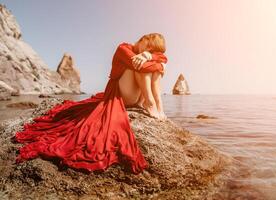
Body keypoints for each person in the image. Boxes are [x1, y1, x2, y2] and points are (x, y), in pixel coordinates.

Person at [14, 33, 168, 174]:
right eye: (148, 46)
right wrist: (159, 62)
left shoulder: (147, 54)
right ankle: (149, 103)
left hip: (135, 97)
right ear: (142, 40)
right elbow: (143, 63)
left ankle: (158, 106)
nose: (148, 50)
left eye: (152, 49)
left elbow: (161, 60)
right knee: (144, 67)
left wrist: (152, 57)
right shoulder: (123, 47)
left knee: (153, 69)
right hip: (122, 95)